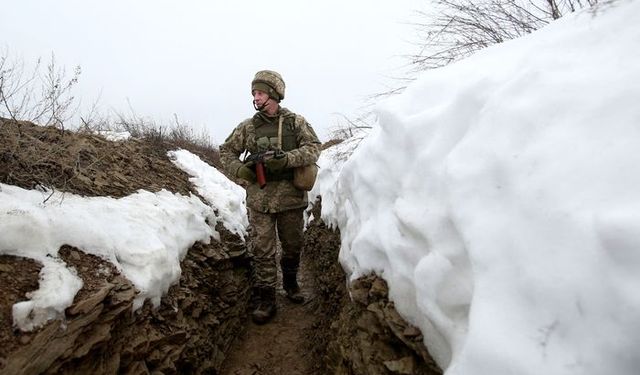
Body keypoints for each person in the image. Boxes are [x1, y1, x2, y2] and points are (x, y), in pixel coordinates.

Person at [220, 70, 321, 324]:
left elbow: (313, 148)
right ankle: (266, 298)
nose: (256, 96)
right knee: (262, 250)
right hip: (260, 201)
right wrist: (241, 170)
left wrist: (287, 159)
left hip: (291, 200)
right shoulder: (247, 127)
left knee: (292, 246)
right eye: (254, 92)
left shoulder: (295, 123)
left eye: (261, 92)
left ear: (274, 94)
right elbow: (226, 151)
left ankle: (290, 284)